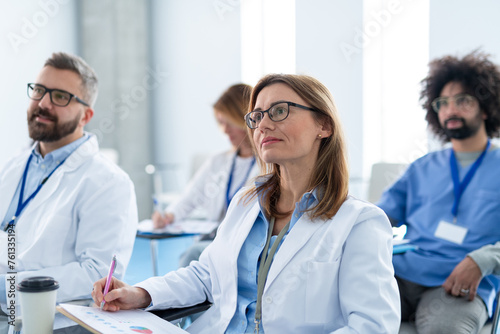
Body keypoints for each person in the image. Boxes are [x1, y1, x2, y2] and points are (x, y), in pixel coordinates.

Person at [93, 74, 400, 333]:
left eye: (279, 111)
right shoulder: (247, 202)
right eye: (257, 116)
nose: (262, 125)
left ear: (324, 125)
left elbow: (372, 326)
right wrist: (140, 293)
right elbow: (206, 275)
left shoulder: (360, 222)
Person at [0, 52, 138, 315]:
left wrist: (6, 288)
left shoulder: (109, 183)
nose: (44, 103)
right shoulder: (12, 167)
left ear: (86, 116)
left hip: (49, 319)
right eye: (39, 90)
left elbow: (96, 276)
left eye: (60, 97)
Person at [377, 50, 500, 333]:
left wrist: (485, 259)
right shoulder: (421, 167)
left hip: (461, 283)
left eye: (463, 101)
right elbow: (377, 217)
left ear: (486, 108)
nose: (450, 110)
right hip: (400, 274)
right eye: (442, 102)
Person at [151, 83, 258, 268]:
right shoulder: (218, 162)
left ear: (246, 118)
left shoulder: (270, 164)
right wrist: (168, 215)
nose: (225, 130)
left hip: (248, 241)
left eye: (229, 122)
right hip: (218, 238)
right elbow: (191, 197)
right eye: (221, 123)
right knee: (196, 257)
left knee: (194, 256)